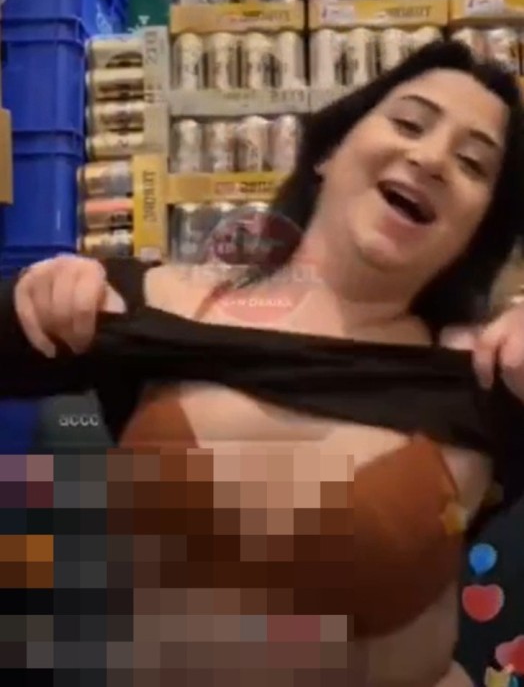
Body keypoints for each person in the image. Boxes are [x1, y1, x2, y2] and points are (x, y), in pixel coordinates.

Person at [4, 39, 524, 687]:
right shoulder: (157, 308)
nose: (432, 158)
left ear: (481, 228)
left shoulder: (480, 377)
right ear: (330, 152)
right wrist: (40, 294)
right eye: (410, 123)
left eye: (473, 163)